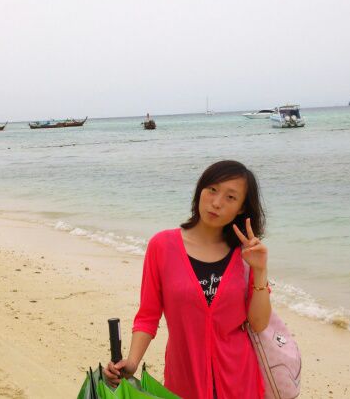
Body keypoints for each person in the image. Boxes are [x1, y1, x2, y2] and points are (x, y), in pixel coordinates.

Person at [103, 160, 271, 399]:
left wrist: (260, 270)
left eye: (230, 197)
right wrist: (132, 361)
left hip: (240, 380)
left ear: (242, 208)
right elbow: (148, 315)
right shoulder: (162, 246)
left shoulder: (246, 254)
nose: (216, 202)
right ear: (200, 189)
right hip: (184, 377)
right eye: (212, 189)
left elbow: (259, 323)